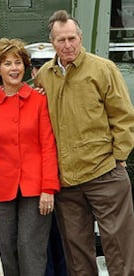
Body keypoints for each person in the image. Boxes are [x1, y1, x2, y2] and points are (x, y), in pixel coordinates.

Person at [34, 10, 134, 276]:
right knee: (77, 255)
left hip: (105, 173)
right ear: (52, 42)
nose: (68, 45)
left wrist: (119, 156)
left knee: (120, 250)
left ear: (80, 38)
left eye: (72, 38)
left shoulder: (103, 69)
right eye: (61, 40)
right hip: (67, 183)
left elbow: (123, 115)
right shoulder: (44, 75)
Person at [0, 37, 60, 276]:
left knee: (29, 249)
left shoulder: (40, 101)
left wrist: (49, 188)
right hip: (1, 191)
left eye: (19, 63)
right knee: (7, 250)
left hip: (36, 190)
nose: (14, 68)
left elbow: (48, 146)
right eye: (8, 63)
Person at [25, 42, 68, 276]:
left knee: (67, 239)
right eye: (36, 67)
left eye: (47, 66)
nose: (40, 72)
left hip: (69, 177)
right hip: (40, 182)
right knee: (43, 243)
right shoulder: (27, 98)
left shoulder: (68, 90)